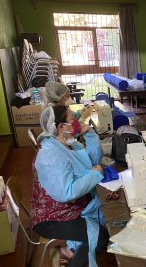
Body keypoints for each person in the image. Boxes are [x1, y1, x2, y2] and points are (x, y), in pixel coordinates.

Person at [31, 105, 109, 266]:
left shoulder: (68, 143)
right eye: (72, 118)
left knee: (100, 222)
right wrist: (95, 174)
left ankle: (67, 253)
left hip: (69, 208)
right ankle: (69, 257)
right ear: (61, 127)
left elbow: (93, 162)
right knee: (100, 237)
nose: (76, 121)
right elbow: (67, 192)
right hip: (51, 217)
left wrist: (90, 135)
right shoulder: (49, 154)